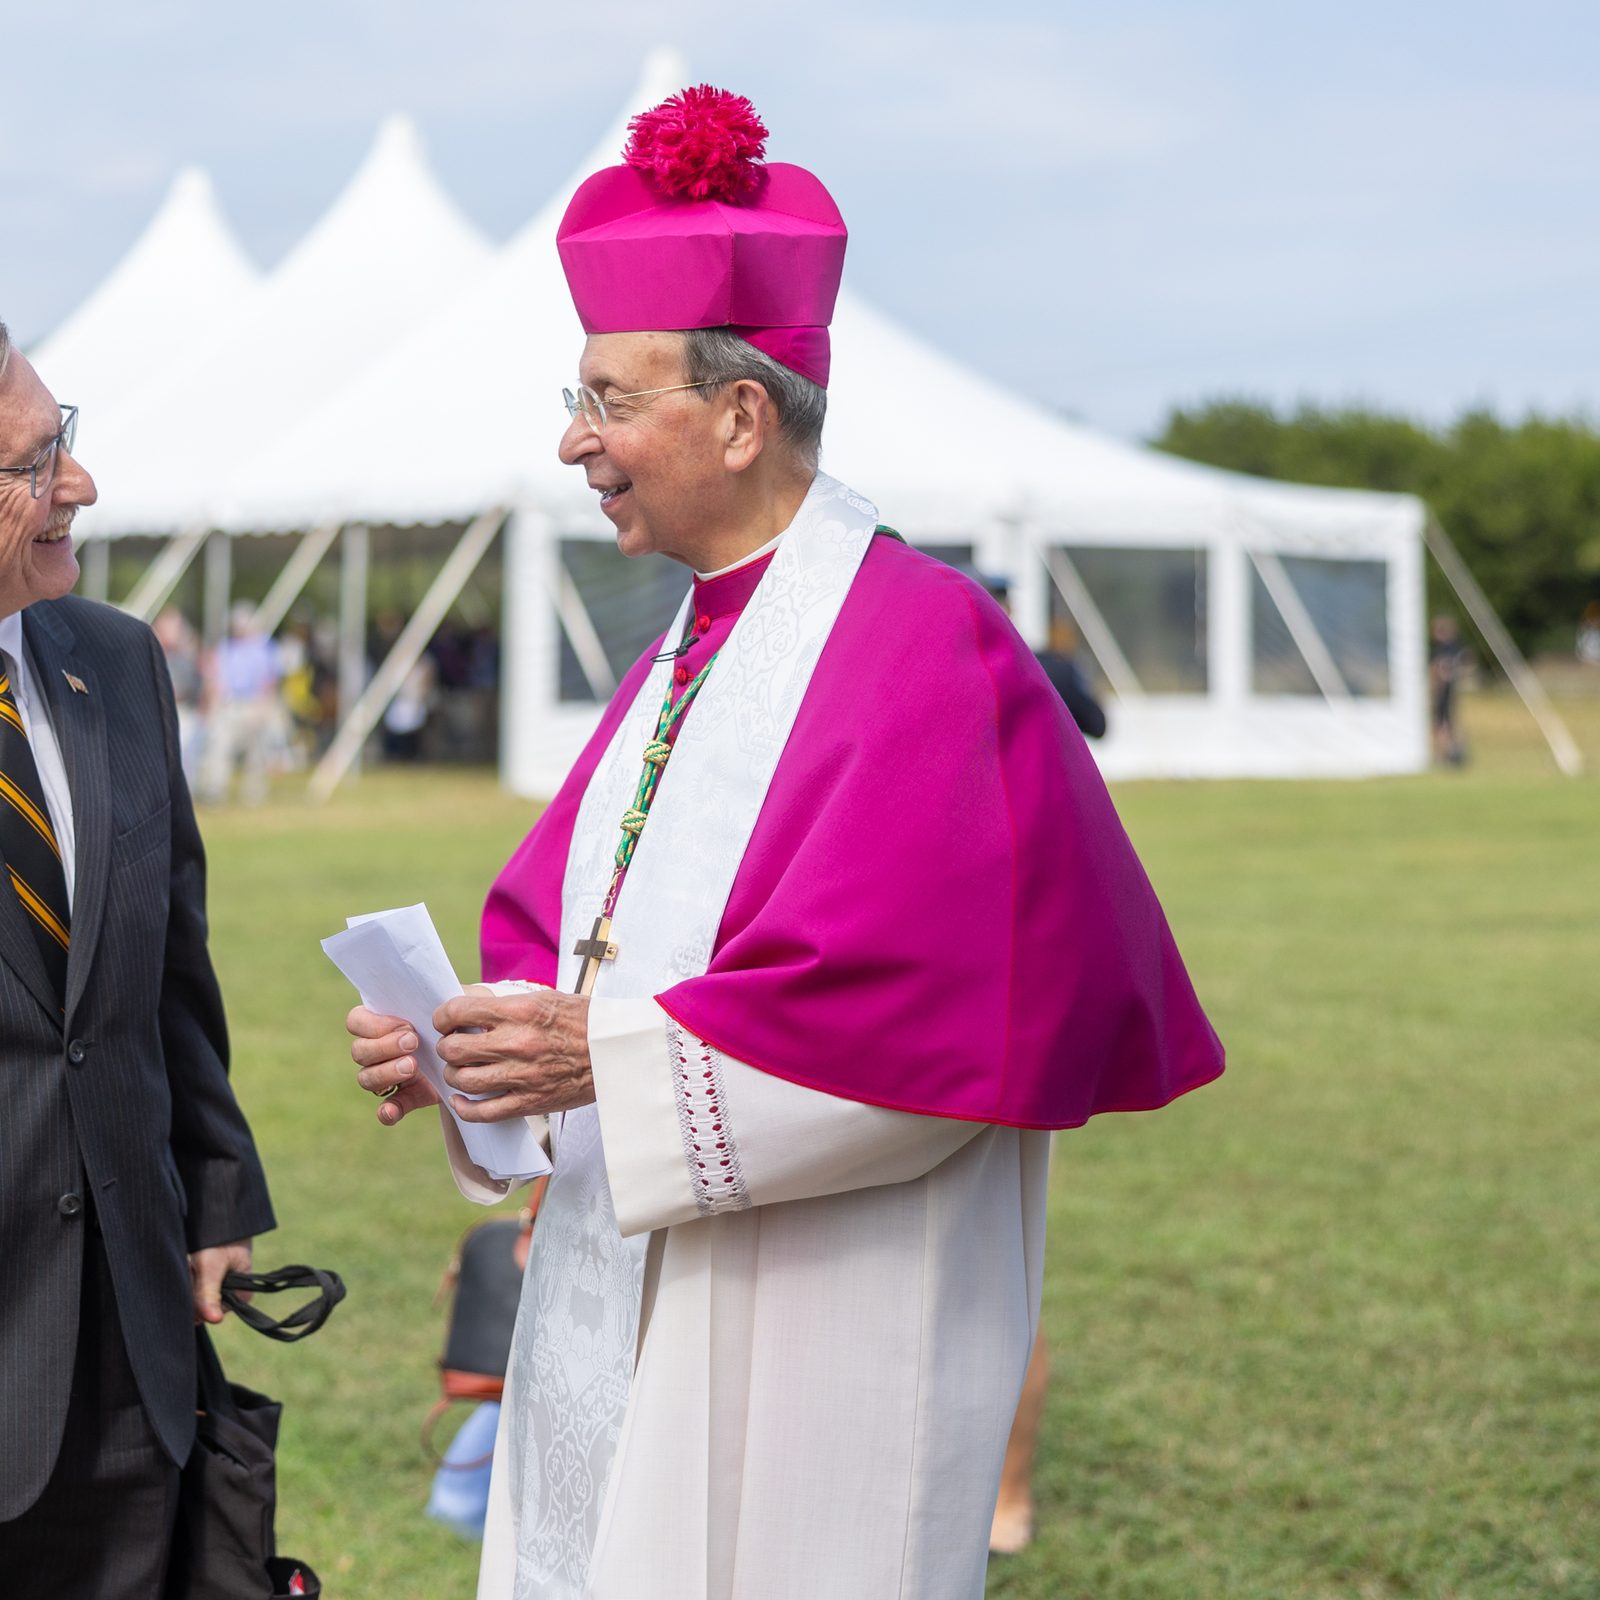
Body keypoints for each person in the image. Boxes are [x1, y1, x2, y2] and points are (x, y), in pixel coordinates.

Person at [347, 86, 1223, 1600]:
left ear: (741, 415)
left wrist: (598, 1061)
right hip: (619, 1300)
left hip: (828, 1319)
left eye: (612, 399)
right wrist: (465, 1051)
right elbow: (569, 945)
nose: (575, 440)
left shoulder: (928, 652)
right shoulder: (685, 648)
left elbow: (927, 1015)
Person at [0, 323, 275, 1596]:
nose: (80, 486)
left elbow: (169, 958)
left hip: (125, 1327)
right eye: (34, 461)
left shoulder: (114, 659)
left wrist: (215, 1191)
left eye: (69, 440)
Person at [199, 599, 281, 805]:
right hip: (230, 705)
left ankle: (254, 793)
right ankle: (215, 790)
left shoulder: (264, 647)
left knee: (256, 753)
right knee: (220, 746)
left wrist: (264, 706)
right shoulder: (226, 648)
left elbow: (269, 680)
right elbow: (215, 678)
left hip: (255, 703)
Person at [1428, 614, 1469, 765]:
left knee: (1443, 722)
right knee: (1447, 722)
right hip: (1447, 689)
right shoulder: (1450, 648)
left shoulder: (1446, 649)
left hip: (1445, 690)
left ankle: (1447, 754)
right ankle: (1451, 752)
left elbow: (1438, 670)